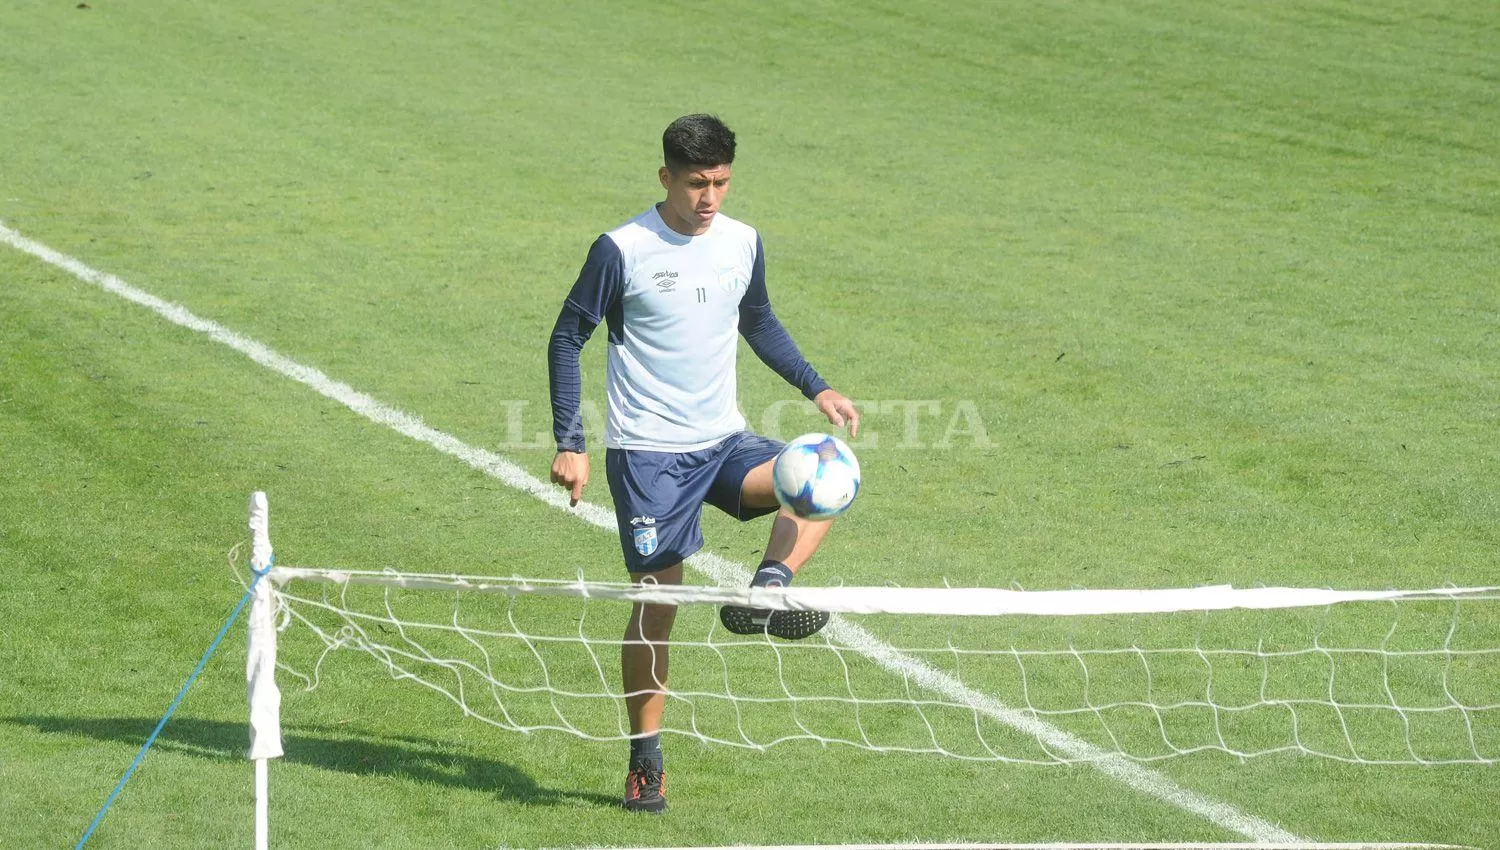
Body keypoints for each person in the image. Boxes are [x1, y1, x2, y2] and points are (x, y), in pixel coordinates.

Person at [547, 113, 859, 814]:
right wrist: (572, 441)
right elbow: (567, 338)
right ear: (667, 178)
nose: (709, 197)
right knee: (659, 604)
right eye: (695, 183)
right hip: (648, 456)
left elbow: (758, 320)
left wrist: (818, 385)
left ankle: (767, 589)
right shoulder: (621, 249)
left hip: (724, 443)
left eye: (719, 182)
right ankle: (644, 764)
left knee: (826, 474)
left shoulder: (742, 242)